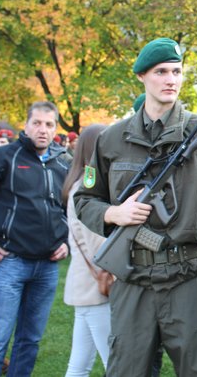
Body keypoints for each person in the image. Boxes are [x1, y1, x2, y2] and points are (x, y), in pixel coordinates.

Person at [74, 38, 197, 376]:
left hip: (187, 274)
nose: (171, 79)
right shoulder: (111, 139)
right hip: (133, 278)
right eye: (161, 72)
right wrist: (113, 214)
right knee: (128, 369)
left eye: (176, 71)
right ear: (142, 76)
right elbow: (84, 198)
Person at [0, 101, 69, 377]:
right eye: (37, 123)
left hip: (47, 267)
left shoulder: (61, 162)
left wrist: (67, 242)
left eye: (49, 125)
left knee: (30, 341)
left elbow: (71, 209)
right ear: (25, 125)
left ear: (55, 129)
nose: (43, 129)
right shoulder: (3, 157)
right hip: (8, 264)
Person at [62, 124, 111, 376]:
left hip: (87, 283)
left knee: (79, 364)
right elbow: (97, 243)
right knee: (114, 361)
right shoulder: (86, 187)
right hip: (96, 284)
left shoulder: (81, 183)